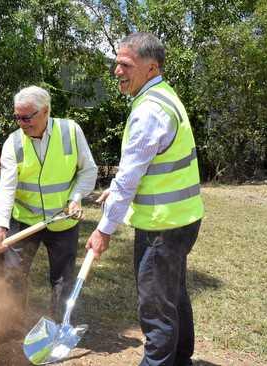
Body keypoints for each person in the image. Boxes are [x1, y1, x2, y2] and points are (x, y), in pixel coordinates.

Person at [86, 32, 204, 366]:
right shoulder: (164, 96)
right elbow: (150, 164)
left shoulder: (148, 110)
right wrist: (118, 188)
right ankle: (181, 359)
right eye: (116, 62)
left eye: (125, 64)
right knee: (173, 294)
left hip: (162, 226)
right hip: (183, 218)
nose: (116, 71)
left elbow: (127, 180)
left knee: (155, 307)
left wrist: (104, 230)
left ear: (151, 68)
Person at [0, 85, 98, 316]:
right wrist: (1, 226)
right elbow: (6, 188)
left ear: (45, 111)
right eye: (18, 117)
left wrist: (75, 198)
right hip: (25, 220)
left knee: (63, 279)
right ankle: (11, 326)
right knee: (13, 274)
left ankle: (57, 324)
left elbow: (88, 171)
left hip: (62, 221)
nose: (22, 123)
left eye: (27, 117)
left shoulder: (70, 131)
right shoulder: (13, 143)